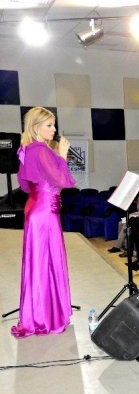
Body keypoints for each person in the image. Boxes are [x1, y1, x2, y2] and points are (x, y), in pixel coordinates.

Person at [12, 107, 77, 338]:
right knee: (45, 262)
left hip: (37, 208)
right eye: (49, 125)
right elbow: (61, 180)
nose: (54, 129)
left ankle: (42, 313)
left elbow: (26, 184)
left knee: (41, 262)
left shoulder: (29, 149)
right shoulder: (40, 150)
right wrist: (62, 155)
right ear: (35, 127)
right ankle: (44, 318)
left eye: (54, 124)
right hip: (45, 213)